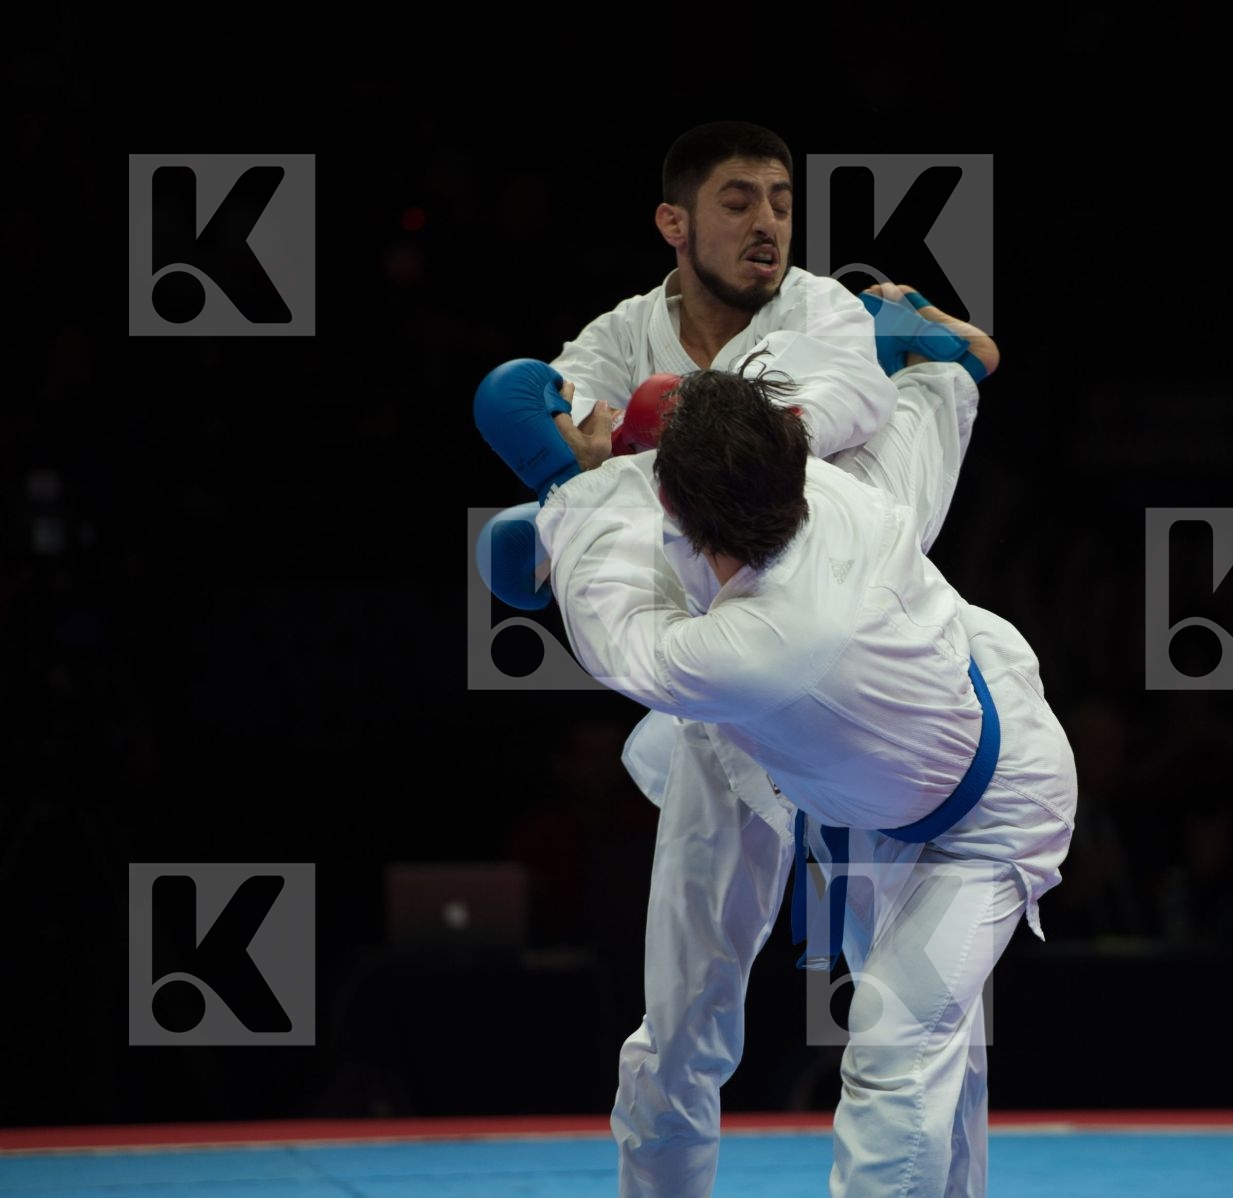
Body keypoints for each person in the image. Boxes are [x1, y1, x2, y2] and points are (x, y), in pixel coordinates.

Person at [473, 120, 1000, 1196]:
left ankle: (942, 369)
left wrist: (620, 457)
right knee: (683, 1022)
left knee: (921, 1025)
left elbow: (803, 426)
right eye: (738, 201)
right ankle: (945, 366)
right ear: (675, 222)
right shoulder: (618, 338)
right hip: (731, 704)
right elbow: (560, 427)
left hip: (864, 691)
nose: (767, 223)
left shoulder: (825, 313)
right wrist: (593, 469)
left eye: (780, 200)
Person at [490, 329, 1076, 1194]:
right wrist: (937, 376)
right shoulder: (829, 490)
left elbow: (618, 625)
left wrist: (566, 493)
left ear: (675, 507)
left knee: (895, 1050)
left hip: (988, 822)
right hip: (890, 770)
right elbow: (901, 455)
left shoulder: (752, 646)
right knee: (936, 1062)